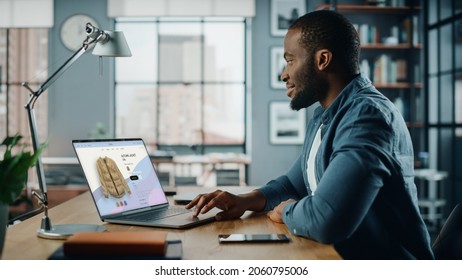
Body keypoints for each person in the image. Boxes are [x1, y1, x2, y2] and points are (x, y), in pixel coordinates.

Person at [186, 10, 434, 260]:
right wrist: (244, 201)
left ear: (322, 60)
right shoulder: (326, 115)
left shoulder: (366, 117)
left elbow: (326, 220)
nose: (284, 74)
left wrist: (287, 212)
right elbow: (293, 184)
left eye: (290, 60)